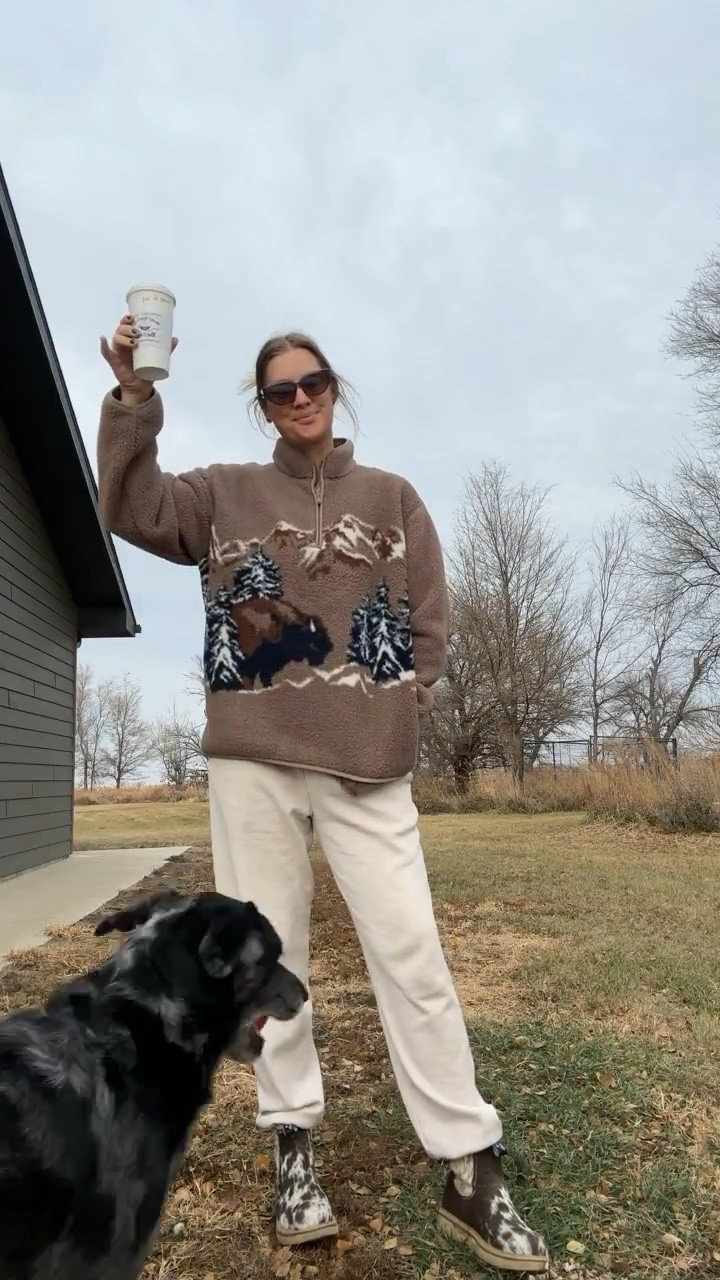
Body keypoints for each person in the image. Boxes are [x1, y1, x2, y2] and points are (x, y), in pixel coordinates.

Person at [96, 315, 549, 1274]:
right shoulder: (220, 494)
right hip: (253, 756)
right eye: (278, 390)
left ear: (335, 387)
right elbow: (132, 508)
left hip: (368, 763)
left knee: (412, 954)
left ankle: (469, 1164)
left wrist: (405, 697)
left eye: (312, 382)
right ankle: (292, 1145)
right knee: (270, 961)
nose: (299, 399)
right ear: (261, 405)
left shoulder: (391, 496)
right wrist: (135, 400)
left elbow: (430, 618)